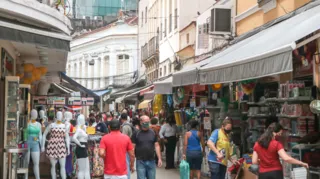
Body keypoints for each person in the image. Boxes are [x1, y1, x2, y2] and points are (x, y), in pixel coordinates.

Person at [120, 113, 134, 179]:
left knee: (126, 164)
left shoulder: (125, 126)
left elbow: (123, 138)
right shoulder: (129, 125)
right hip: (129, 145)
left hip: (126, 147)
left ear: (121, 119)